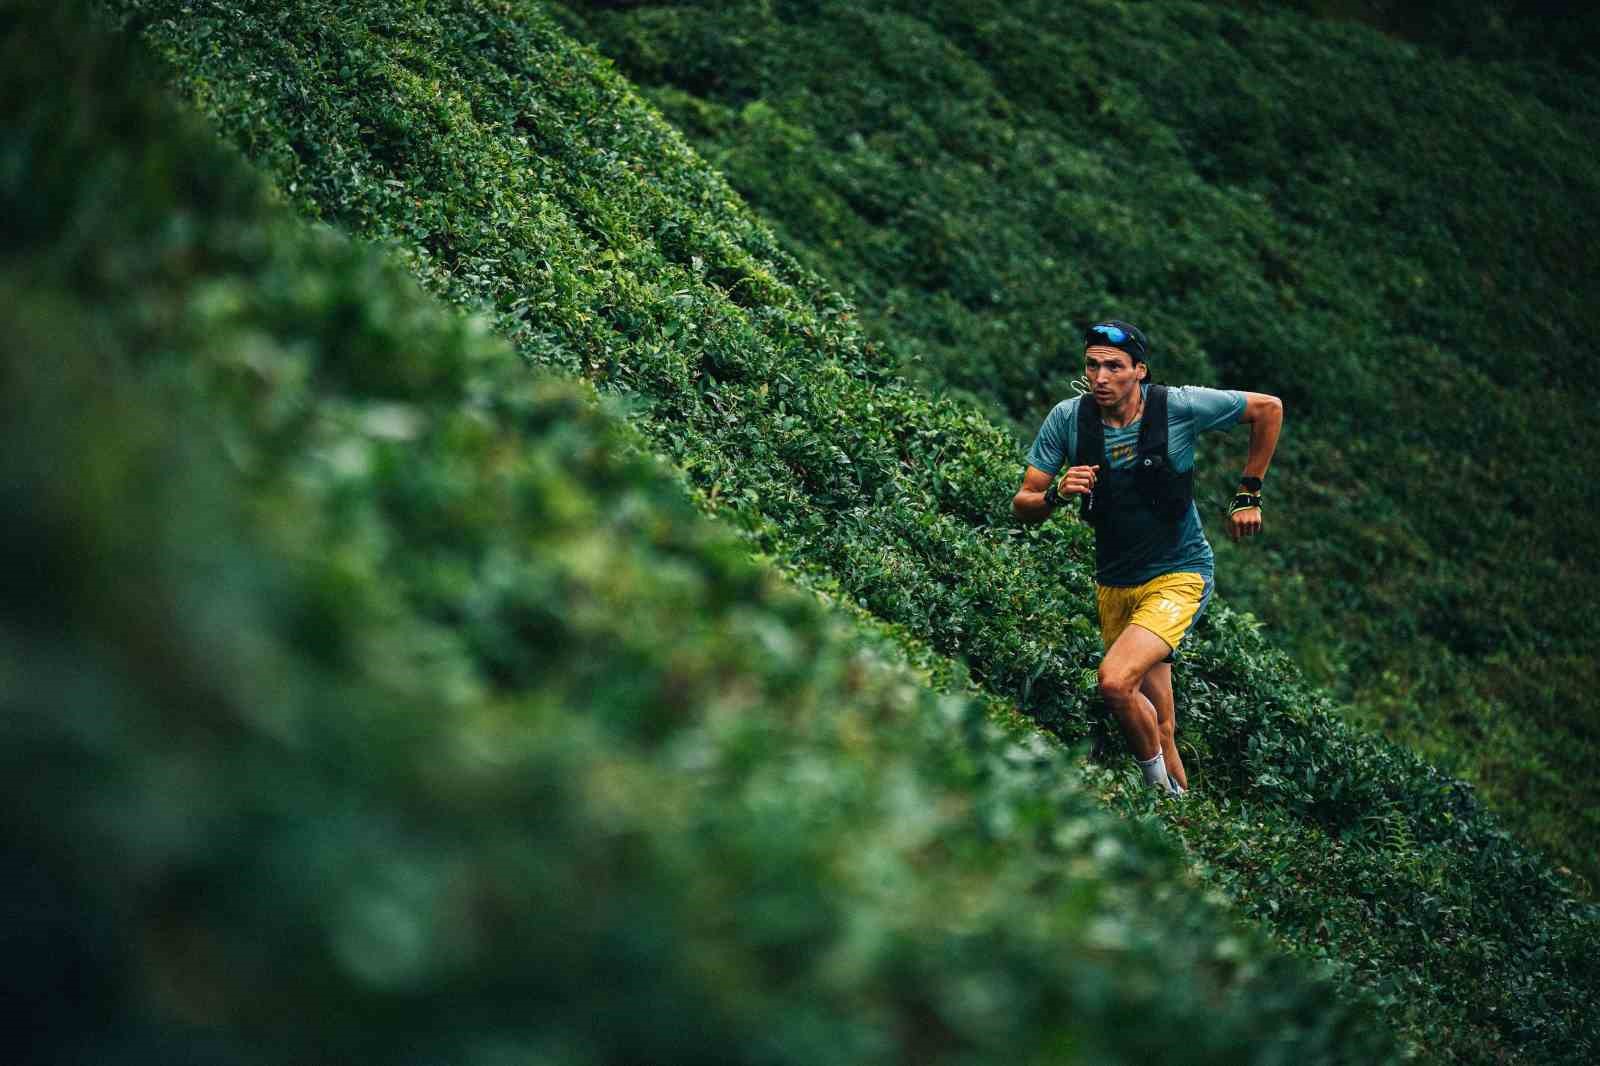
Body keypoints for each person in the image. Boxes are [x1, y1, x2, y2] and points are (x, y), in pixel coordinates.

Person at [1011, 320, 1282, 795]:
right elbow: (1024, 504)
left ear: (1140, 371)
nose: (1101, 378)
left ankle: (1156, 795)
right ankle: (1184, 820)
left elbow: (1268, 409)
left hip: (1179, 574)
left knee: (1115, 683)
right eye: (1093, 366)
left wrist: (1249, 493)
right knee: (1159, 728)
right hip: (1115, 582)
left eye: (1114, 367)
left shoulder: (1177, 406)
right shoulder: (1067, 420)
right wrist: (1056, 493)